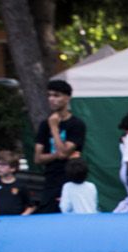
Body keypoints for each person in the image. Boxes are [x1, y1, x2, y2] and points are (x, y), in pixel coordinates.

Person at [33, 79, 86, 213]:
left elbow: (64, 153)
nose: (52, 99)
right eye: (49, 95)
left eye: (56, 95)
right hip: (51, 180)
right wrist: (59, 155)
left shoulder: (76, 124)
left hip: (70, 179)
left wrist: (54, 128)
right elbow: (38, 158)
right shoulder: (45, 124)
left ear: (67, 98)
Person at [0, 151, 35, 217]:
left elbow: (31, 206)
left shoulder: (21, 186)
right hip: (0, 222)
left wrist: (21, 217)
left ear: (13, 168)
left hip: (17, 223)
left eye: (3, 165)